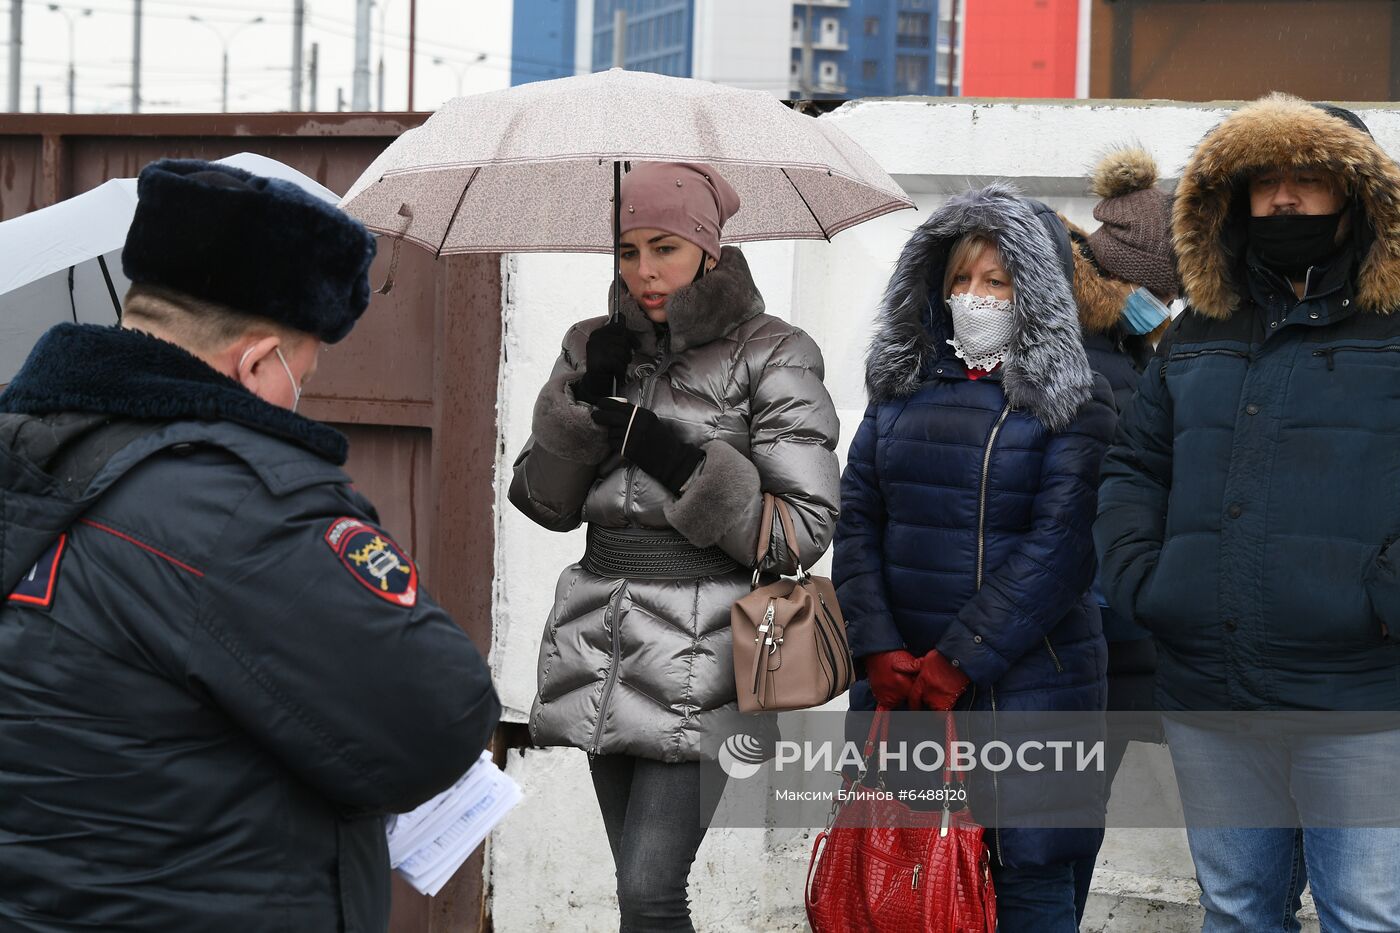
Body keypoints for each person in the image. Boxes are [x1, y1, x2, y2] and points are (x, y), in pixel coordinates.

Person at [0, 159, 501, 932]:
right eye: (304, 365)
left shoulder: (24, 457)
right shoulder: (244, 509)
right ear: (258, 360)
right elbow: (439, 721)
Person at [1095, 93, 1400, 932]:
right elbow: (1135, 463)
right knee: (1234, 910)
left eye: (1310, 179)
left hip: (1363, 694)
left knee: (1364, 914)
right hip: (1212, 688)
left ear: (1357, 196)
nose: (1285, 199)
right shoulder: (1199, 330)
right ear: (1234, 199)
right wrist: (1146, 581)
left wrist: (1383, 601)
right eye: (1265, 182)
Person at [509, 161, 840, 932]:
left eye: (665, 247)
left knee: (652, 886)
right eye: (628, 250)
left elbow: (801, 529)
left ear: (709, 251)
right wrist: (577, 414)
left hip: (715, 647)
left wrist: (672, 453)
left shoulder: (774, 351)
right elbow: (544, 501)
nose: (645, 271)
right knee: (634, 887)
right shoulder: (591, 343)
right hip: (600, 635)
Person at [834, 183, 1116, 931]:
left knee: (1031, 893)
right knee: (904, 893)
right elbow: (856, 521)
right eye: (960, 279)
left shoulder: (1076, 402)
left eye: (997, 280)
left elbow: (1059, 546)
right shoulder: (897, 394)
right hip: (907, 701)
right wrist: (879, 646)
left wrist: (958, 659)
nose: (975, 296)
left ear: (1037, 292)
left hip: (1032, 699)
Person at [1059, 145, 1179, 912]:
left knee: (1065, 818)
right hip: (1108, 632)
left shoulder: (1125, 359)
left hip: (1107, 630)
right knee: (1066, 821)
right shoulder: (1105, 368)